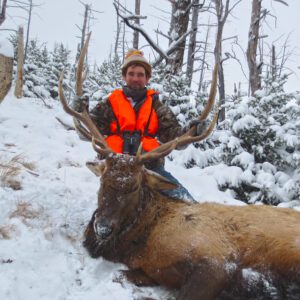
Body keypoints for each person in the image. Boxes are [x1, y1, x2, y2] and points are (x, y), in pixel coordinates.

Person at [73, 49, 207, 202]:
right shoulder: (110, 103)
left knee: (186, 201)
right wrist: (80, 111)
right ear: (124, 76)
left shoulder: (156, 106)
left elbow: (173, 134)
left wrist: (192, 131)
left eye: (140, 74)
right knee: (110, 214)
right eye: (131, 73)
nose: (135, 78)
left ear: (147, 78)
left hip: (148, 167)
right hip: (115, 167)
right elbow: (87, 132)